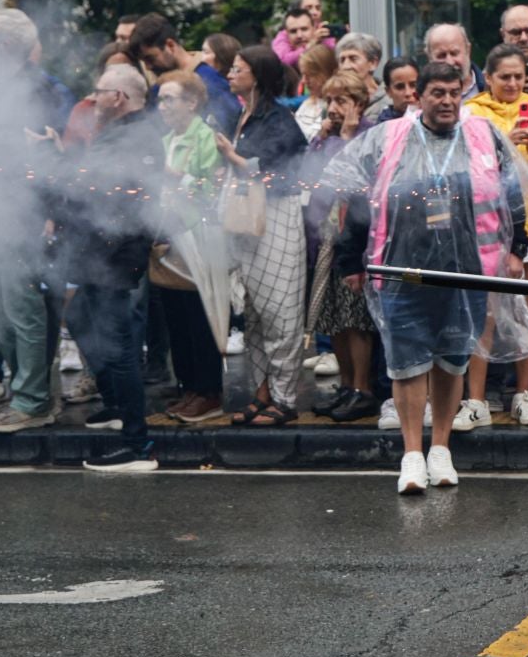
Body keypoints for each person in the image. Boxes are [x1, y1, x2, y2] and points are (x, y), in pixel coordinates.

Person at [319, 62, 528, 491]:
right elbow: (357, 197)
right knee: (407, 363)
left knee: (452, 359)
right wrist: (350, 260)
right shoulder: (389, 136)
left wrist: (515, 246)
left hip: (467, 267)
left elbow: (511, 193)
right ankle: (412, 455)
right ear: (419, 96)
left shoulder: (482, 135)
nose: (448, 101)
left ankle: (442, 450)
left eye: (455, 92)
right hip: (401, 267)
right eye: (438, 93)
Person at [57, 64, 164, 472]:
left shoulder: (130, 137)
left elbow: (94, 192)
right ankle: (119, 405)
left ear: (118, 98)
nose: (92, 99)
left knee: (119, 348)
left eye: (99, 92)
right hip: (107, 252)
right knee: (81, 316)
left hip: (113, 256)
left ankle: (138, 445)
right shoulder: (129, 133)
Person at [0, 8, 71, 432]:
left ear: (7, 46)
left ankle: (33, 401)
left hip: (24, 213)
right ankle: (32, 392)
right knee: (5, 307)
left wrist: (47, 213)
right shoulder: (8, 87)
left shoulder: (40, 90)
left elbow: (51, 155)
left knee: (24, 306)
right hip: (0, 209)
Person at [460, 43, 528, 428]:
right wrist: (508, 138)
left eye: (518, 76)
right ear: (487, 78)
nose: (511, 83)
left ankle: (524, 394)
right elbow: (467, 163)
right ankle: (474, 399)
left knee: (526, 311)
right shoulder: (472, 112)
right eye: (503, 76)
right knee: (484, 312)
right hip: (485, 223)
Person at [215, 46, 309, 425]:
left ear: (257, 75)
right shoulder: (244, 114)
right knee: (253, 312)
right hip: (246, 218)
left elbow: (268, 170)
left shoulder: (281, 119)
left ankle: (285, 400)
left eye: (237, 69)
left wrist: (229, 155)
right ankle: (261, 392)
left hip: (277, 218)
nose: (230, 75)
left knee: (280, 312)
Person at [152, 69, 229, 422]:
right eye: (160, 99)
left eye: (168, 98)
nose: (161, 105)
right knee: (177, 318)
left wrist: (176, 178)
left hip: (200, 238)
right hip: (171, 240)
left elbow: (213, 192)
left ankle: (209, 392)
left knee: (201, 317)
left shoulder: (207, 139)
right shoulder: (168, 138)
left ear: (192, 102)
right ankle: (190, 388)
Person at [304, 71, 382, 424]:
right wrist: (322, 138)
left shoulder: (366, 134)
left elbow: (346, 178)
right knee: (333, 317)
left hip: (353, 239)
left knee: (355, 318)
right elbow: (310, 173)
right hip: (324, 238)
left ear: (359, 104)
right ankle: (346, 386)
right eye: (329, 101)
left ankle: (362, 389)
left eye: (341, 101)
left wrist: (347, 136)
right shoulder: (327, 136)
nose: (333, 109)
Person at [127, 14, 242, 136]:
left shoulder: (210, 81)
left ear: (170, 45)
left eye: (150, 58)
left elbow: (229, 126)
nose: (148, 67)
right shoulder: (158, 88)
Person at [271, 0, 335, 69]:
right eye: (309, 8)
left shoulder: (323, 32)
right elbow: (283, 61)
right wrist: (311, 44)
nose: (315, 12)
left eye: (318, 8)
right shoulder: (283, 36)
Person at [424, 22, 481, 100]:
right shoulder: (420, 98)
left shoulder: (491, 88)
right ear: (429, 57)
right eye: (441, 55)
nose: (449, 62)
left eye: (454, 53)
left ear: (468, 50)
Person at [335, 32, 386, 118]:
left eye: (353, 59)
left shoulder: (390, 100)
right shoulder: (333, 101)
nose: (346, 66)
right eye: (342, 60)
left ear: (373, 63)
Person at [294, 43, 338, 140]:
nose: (304, 81)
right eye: (303, 75)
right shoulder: (307, 104)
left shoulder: (337, 108)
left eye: (310, 75)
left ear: (327, 73)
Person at [374, 57, 418, 124]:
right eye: (400, 87)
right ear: (388, 91)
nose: (408, 93)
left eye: (413, 85)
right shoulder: (382, 127)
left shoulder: (433, 119)